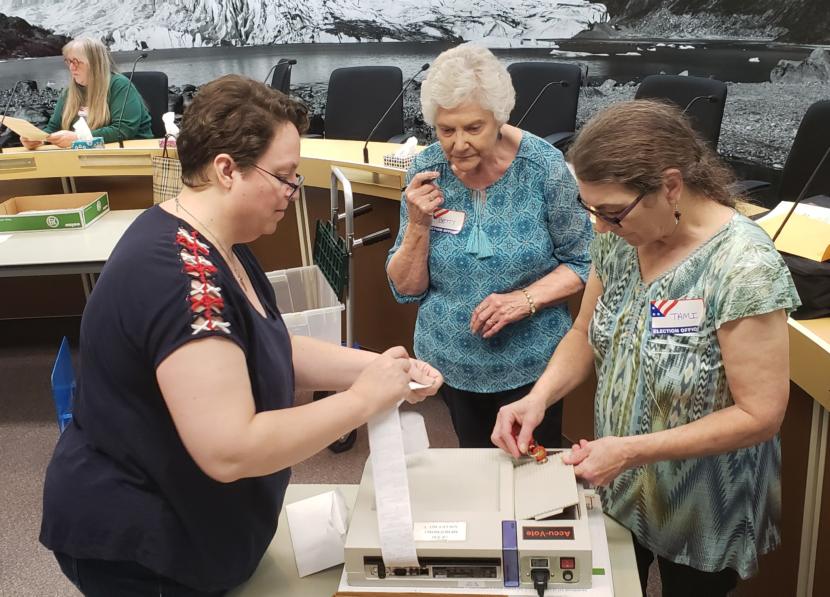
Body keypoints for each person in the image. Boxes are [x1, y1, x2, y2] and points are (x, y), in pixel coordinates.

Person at [40, 74, 443, 596]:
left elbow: (267, 342)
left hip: (191, 520)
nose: (292, 193)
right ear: (227, 169)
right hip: (144, 547)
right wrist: (364, 400)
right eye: (283, 176)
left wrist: (374, 369)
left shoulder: (218, 241)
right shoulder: (178, 280)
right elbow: (230, 449)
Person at [491, 99, 801, 596]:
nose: (598, 226)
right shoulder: (620, 238)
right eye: (590, 210)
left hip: (702, 500)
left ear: (671, 186)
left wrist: (631, 451)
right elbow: (582, 335)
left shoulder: (744, 268)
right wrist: (538, 397)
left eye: (611, 212)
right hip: (620, 479)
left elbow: (760, 414)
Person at [386, 44, 592, 449]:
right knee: (474, 459)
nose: (458, 144)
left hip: (532, 363)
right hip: (449, 358)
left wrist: (524, 300)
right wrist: (417, 225)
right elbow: (406, 289)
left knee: (532, 469)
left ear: (499, 118)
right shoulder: (426, 170)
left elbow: (583, 260)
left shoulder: (543, 168)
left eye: (472, 128)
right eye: (446, 130)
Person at [21, 37, 153, 149]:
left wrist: (79, 138)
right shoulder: (69, 92)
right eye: (69, 61)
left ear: (95, 64)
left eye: (76, 62)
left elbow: (123, 130)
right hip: (86, 156)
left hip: (131, 153)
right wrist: (39, 139)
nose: (72, 67)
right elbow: (53, 128)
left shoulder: (120, 85)